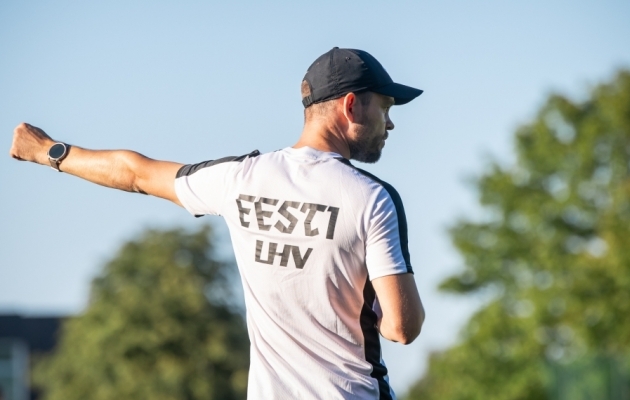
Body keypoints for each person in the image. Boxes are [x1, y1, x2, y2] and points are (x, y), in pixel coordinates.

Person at [9, 47, 425, 400]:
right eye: (385, 107)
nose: (389, 124)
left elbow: (135, 173)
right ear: (351, 104)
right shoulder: (371, 198)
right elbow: (403, 328)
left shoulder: (241, 178)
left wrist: (48, 150)